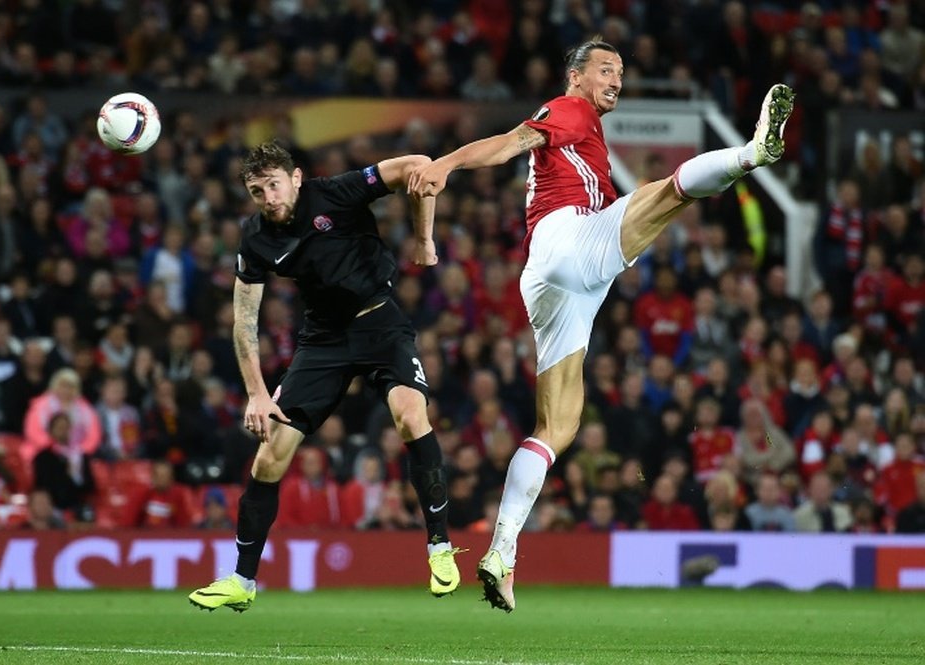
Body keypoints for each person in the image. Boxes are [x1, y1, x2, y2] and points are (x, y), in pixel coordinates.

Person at [409, 37, 795, 612]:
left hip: (555, 282)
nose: (616, 79)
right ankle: (753, 154)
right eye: (605, 70)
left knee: (558, 428)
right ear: (577, 76)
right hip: (571, 239)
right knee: (667, 194)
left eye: (621, 71)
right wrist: (449, 162)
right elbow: (514, 142)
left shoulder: (584, 125)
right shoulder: (570, 108)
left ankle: (502, 551)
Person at [189, 142, 460, 613]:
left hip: (379, 323)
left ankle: (439, 547)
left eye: (273, 185)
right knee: (270, 454)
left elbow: (421, 166)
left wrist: (424, 238)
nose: (268, 197)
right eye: (257, 191)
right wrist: (256, 394)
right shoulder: (255, 239)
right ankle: (242, 580)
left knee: (409, 414)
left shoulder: (337, 192)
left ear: (295, 178)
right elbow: (243, 319)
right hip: (324, 341)